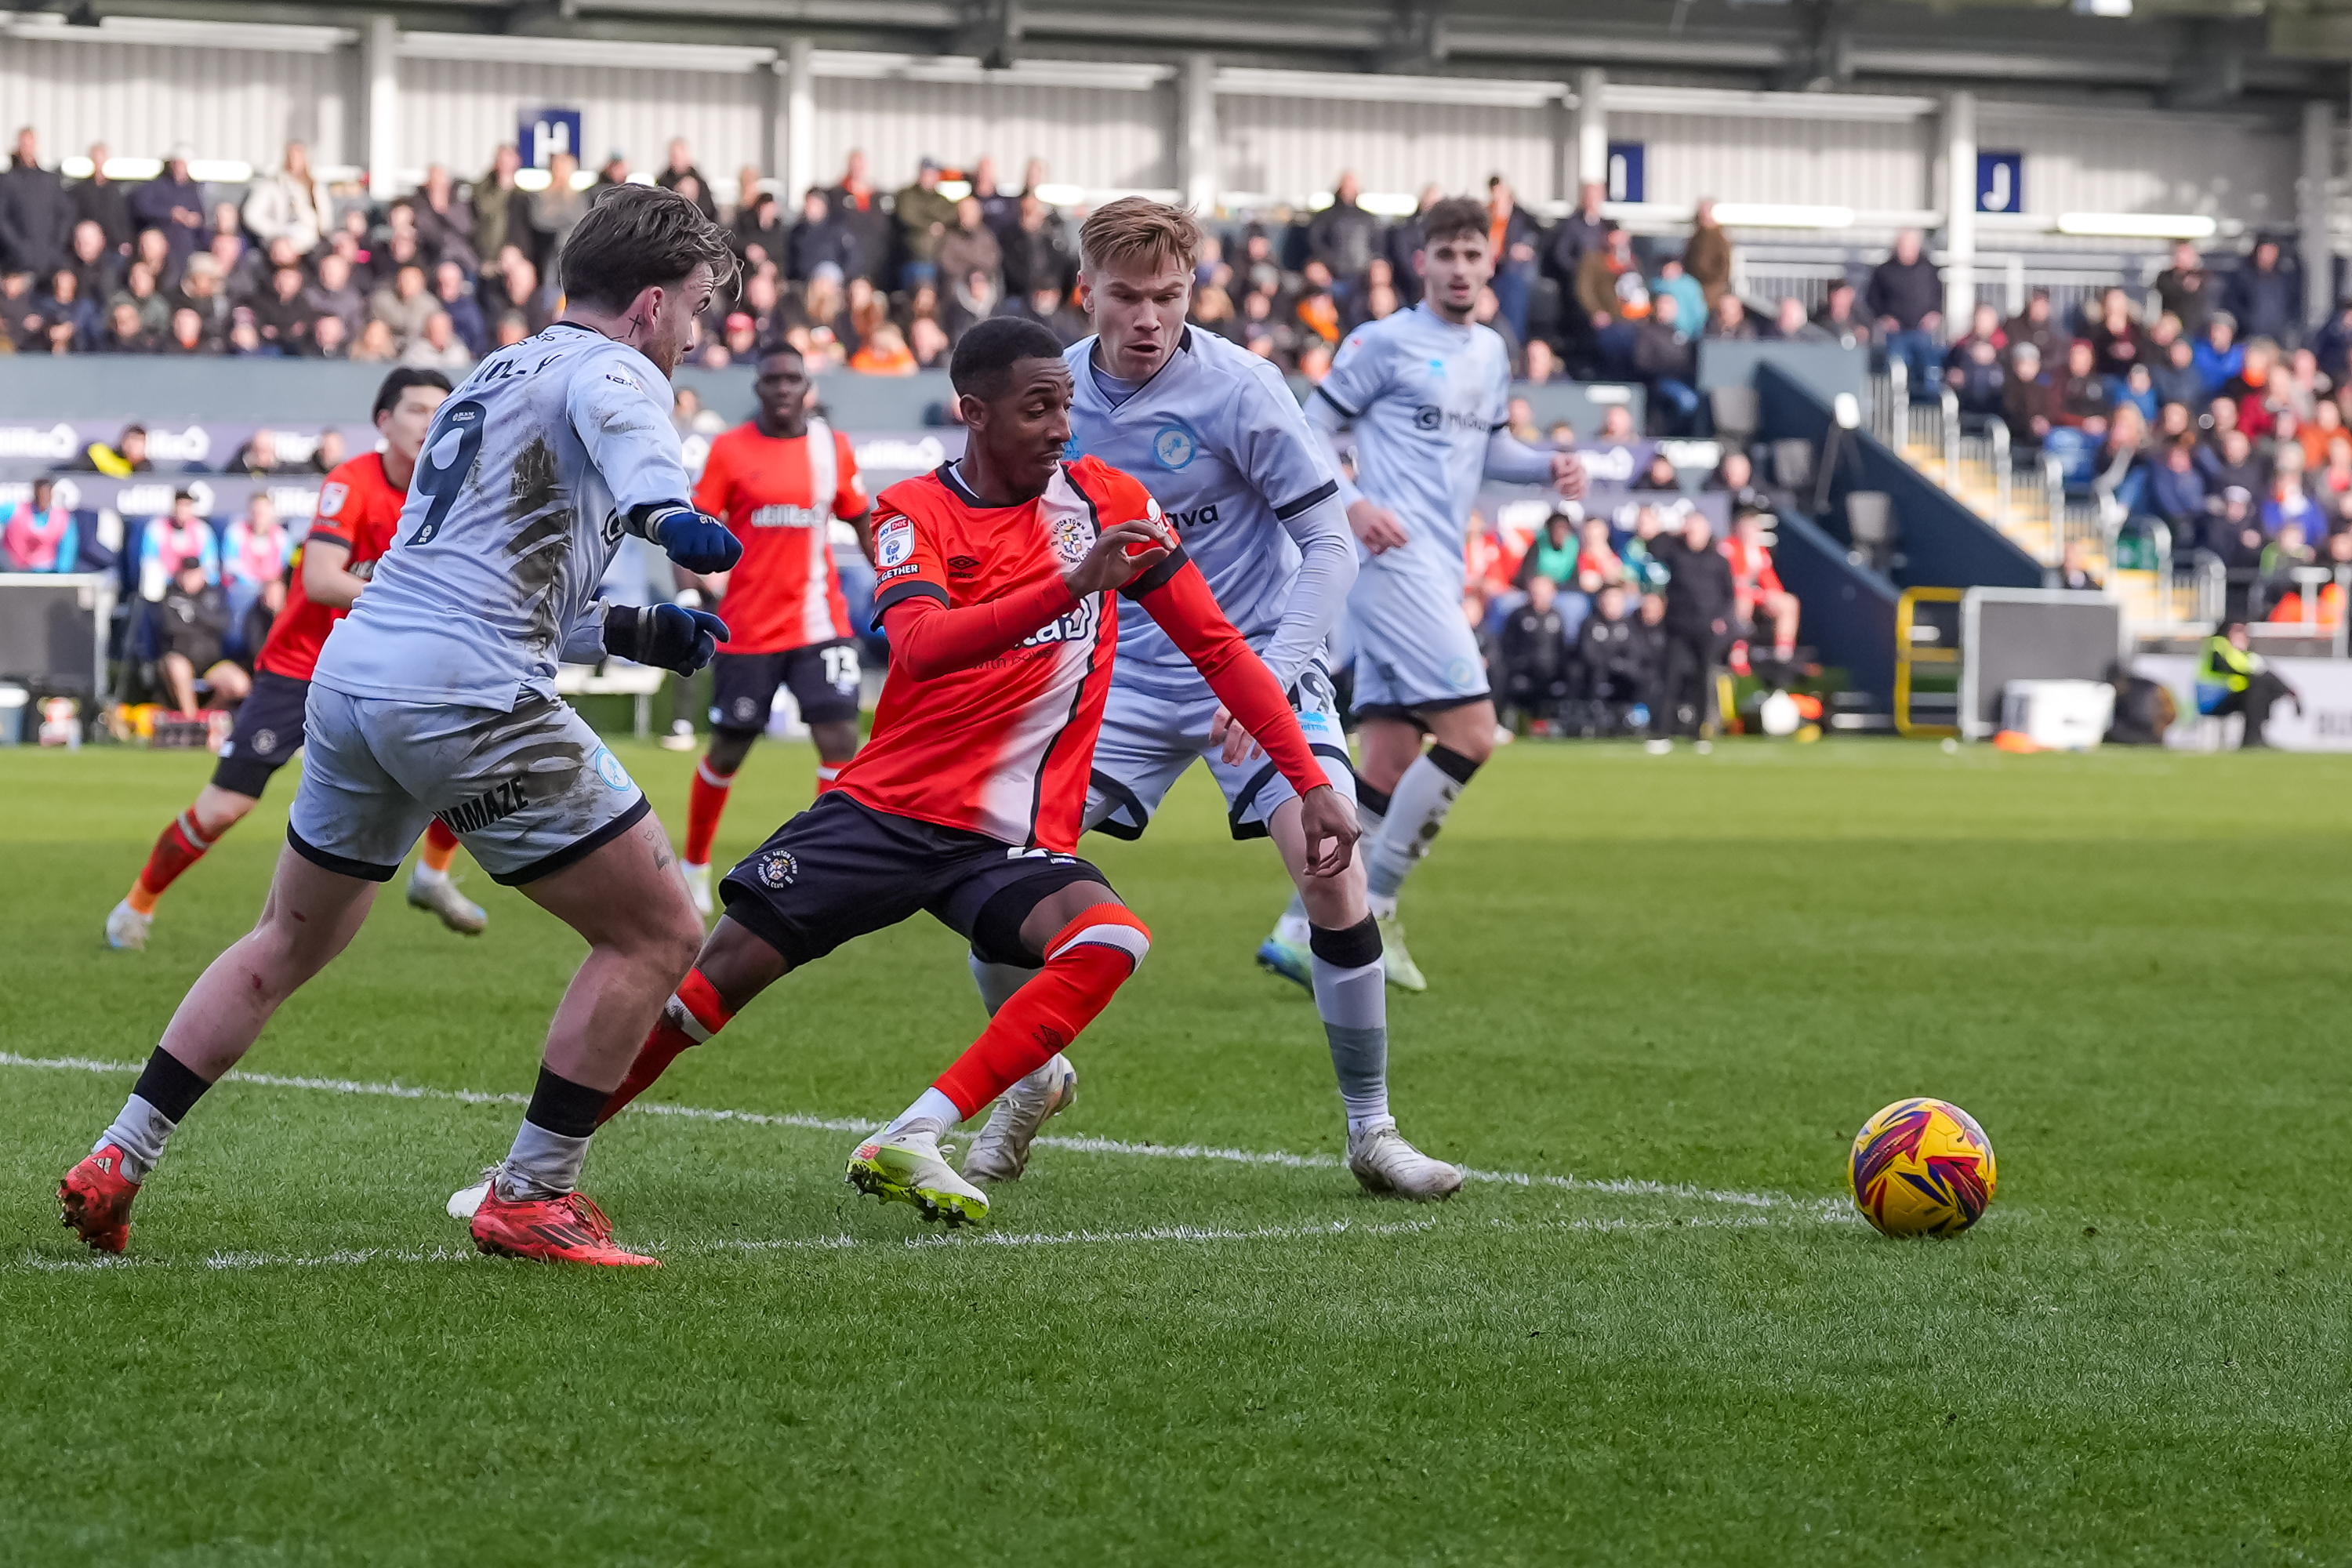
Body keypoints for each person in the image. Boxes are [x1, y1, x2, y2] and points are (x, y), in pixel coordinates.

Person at [457, 309, 1323, 1238]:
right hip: (882, 810)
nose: (1061, 427)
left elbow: (1219, 646)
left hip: (1008, 838)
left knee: (1112, 940)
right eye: (1037, 408)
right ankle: (525, 1174)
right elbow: (920, 646)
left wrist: (1307, 780)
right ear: (974, 413)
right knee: (703, 994)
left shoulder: (1113, 503)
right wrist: (1073, 585)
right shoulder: (913, 511)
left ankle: (917, 1131)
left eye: (1065, 405)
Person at [61, 187, 746, 1266]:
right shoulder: (620, 370)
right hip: (462, 689)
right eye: (699, 306)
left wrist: (626, 624)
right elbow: (633, 446)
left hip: (356, 677)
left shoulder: (494, 369)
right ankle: (534, 1193)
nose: (697, 331)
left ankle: (118, 1154)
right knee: (659, 930)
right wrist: (667, 516)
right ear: (653, 302)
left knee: (287, 939)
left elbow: (477, 562)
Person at [920, 197, 1458, 1200]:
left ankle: (1372, 1129)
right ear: (1086, 294)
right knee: (999, 878)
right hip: (1112, 678)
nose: (1147, 319)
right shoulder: (1052, 392)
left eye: (1167, 297)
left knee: (1331, 873)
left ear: (1191, 293)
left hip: (1252, 660)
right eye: (1125, 297)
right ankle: (1032, 1073)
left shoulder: (1244, 389)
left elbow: (1330, 542)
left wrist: (1276, 669)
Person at [1278, 194, 1582, 995]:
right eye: (1444, 254)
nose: (1458, 268)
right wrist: (1352, 502)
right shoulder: (1381, 343)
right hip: (1392, 560)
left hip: (1438, 563)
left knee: (1387, 754)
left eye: (1471, 255)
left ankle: (1297, 925)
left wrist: (1547, 465)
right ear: (1421, 263)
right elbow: (1307, 430)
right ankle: (1370, 906)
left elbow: (1491, 452)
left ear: (1490, 263)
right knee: (1475, 734)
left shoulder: (1488, 351)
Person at [103, 371, 498, 950]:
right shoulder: (352, 481)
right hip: (301, 667)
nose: (429, 421)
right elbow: (319, 580)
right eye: (416, 409)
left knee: (468, 753)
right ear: (383, 422)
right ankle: (134, 907)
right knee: (223, 808)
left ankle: (432, 875)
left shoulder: (456, 491)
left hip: (386, 669)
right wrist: (420, 604)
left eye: (441, 411)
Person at [674, 344, 873, 913]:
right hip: (750, 627)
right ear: (758, 388)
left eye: (794, 379)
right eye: (774, 380)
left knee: (840, 746)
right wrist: (692, 589)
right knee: (727, 752)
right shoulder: (730, 451)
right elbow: (692, 529)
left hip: (821, 623)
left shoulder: (831, 449)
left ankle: (823, 870)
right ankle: (693, 865)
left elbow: (862, 522)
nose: (784, 389)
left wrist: (897, 583)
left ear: (807, 387)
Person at [1650, 507, 1735, 736]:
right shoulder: (1675, 554)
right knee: (1671, 679)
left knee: (1703, 679)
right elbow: (1654, 547)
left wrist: (1721, 620)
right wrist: (1676, 531)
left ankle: (1700, 732)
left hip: (1705, 628)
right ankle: (1662, 732)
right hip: (1677, 626)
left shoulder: (1718, 561)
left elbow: (1728, 595)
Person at [2195, 620, 2299, 746]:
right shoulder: (2219, 645)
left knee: (2262, 686)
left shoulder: (2242, 653)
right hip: (2215, 698)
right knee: (2260, 685)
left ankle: (2255, 735)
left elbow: (2258, 669)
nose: (2242, 636)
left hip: (2231, 695)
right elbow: (2235, 669)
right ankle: (2253, 737)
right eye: (2238, 631)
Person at [1867, 229, 1943, 395]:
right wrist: (1884, 317)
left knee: (1927, 371)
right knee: (1896, 371)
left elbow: (1939, 295)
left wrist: (1935, 314)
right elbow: (1872, 298)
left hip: (1923, 331)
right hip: (1896, 333)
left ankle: (1926, 405)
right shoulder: (1884, 271)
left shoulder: (1929, 269)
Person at [1722, 506, 1798, 673]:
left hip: (1756, 595)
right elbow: (1730, 580)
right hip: (1733, 596)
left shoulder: (1760, 552)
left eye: (1754, 528)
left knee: (1789, 602)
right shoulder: (1727, 547)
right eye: (1747, 527)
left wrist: (1772, 595)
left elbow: (1770, 581)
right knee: (1743, 601)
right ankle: (1738, 652)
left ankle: (1783, 653)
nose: (1751, 532)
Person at [1497, 572, 1572, 729]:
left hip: (1551, 675)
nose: (1539, 596)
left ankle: (1557, 726)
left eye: (1544, 593)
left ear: (1553, 594)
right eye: (1535, 592)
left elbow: (1562, 649)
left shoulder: (1557, 617)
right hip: (1523, 673)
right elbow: (1507, 648)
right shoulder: (1518, 616)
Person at [2, 478, 77, 572]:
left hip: (45, 572)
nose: (43, 498)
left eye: (46, 494)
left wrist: (62, 573)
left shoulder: (62, 518)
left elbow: (67, 549)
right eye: (40, 494)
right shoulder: (14, 510)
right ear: (35, 493)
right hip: (11, 569)